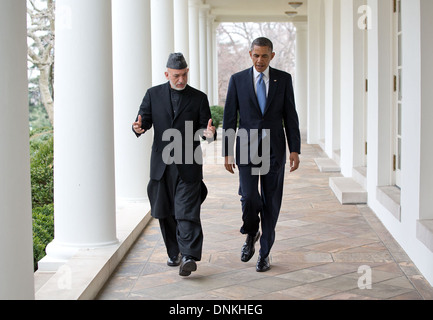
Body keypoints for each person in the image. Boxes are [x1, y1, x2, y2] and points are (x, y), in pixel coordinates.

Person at [133, 53, 216, 277]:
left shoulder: (199, 98)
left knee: (186, 211)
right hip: (161, 164)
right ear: (167, 74)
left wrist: (209, 134)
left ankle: (189, 255)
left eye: (184, 75)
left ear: (187, 72)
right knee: (165, 212)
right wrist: (138, 128)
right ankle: (174, 252)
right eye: (176, 76)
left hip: (189, 164)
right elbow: (144, 121)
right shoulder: (153, 94)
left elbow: (204, 128)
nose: (181, 80)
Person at [222, 37, 301, 272]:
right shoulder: (237, 80)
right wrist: (227, 151)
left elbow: (291, 116)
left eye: (264, 56)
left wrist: (294, 148)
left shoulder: (283, 79)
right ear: (250, 54)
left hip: (274, 149)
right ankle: (251, 232)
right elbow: (229, 118)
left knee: (271, 202)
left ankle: (265, 252)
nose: (260, 60)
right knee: (248, 197)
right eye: (256, 55)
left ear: (272, 56)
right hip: (246, 147)